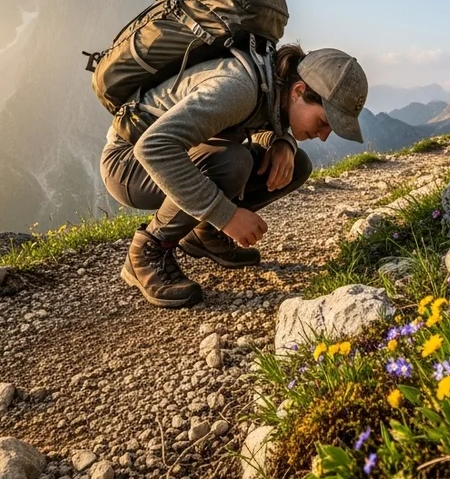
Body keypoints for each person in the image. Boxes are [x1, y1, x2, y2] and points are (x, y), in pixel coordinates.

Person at [100, 45, 367, 308]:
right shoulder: (239, 87)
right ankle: (147, 251)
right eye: (323, 122)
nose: (324, 136)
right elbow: (153, 147)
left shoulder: (271, 83)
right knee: (232, 163)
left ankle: (204, 234)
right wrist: (224, 215)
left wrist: (283, 141)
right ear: (298, 91)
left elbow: (248, 125)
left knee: (296, 165)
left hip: (168, 152)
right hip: (126, 163)